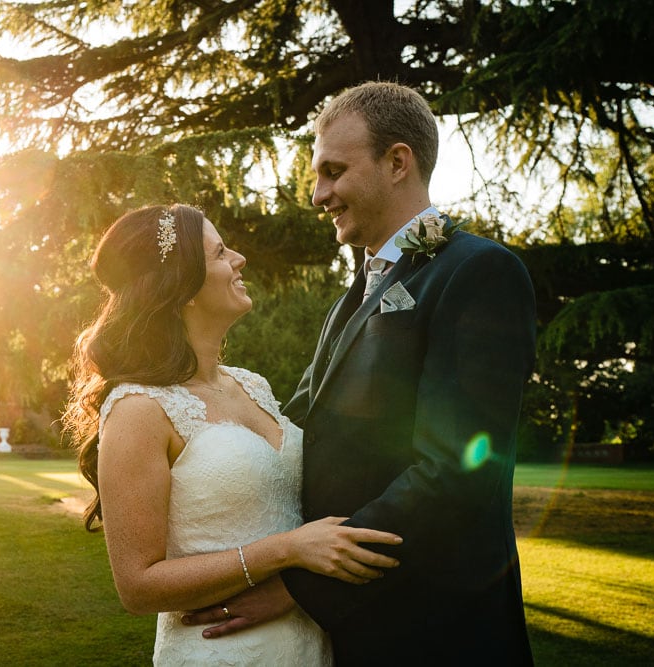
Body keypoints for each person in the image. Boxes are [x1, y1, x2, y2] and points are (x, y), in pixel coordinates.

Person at [182, 82, 537, 665]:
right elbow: (298, 426)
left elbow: (456, 472)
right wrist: (161, 429)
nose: (319, 195)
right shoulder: (355, 295)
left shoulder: (480, 273)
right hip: (355, 632)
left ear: (398, 162)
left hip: (436, 629)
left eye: (334, 171)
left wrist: (301, 585)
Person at [65, 204, 405, 665]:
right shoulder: (137, 409)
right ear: (180, 286)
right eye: (221, 252)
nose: (240, 258)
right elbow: (138, 586)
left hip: (307, 642)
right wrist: (288, 550)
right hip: (220, 650)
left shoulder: (252, 384)